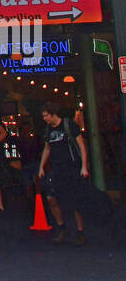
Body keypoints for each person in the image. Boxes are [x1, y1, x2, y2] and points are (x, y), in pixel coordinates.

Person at [40, 102, 89, 244]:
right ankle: (62, 227)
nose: (44, 119)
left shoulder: (69, 125)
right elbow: (47, 148)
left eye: (46, 116)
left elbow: (81, 145)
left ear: (53, 114)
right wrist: (41, 166)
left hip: (72, 166)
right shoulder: (48, 129)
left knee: (75, 199)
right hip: (56, 168)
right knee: (50, 197)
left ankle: (80, 231)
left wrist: (84, 166)